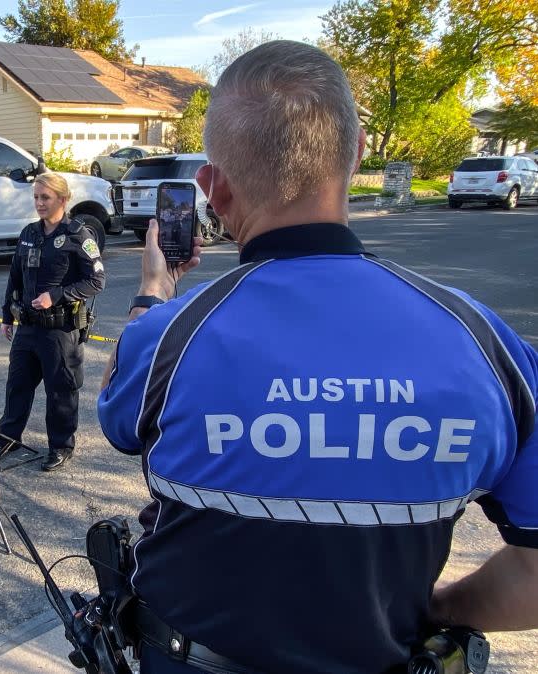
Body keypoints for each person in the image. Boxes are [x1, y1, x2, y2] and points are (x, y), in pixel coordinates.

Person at [98, 40, 538, 674]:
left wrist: (151, 295)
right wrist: (442, 608)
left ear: (213, 190)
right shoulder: (485, 343)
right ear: (356, 156)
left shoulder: (169, 337)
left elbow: (118, 410)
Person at [0, 172, 105, 471]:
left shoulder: (78, 235)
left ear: (63, 199)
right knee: (17, 386)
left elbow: (96, 281)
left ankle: (61, 445)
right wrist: (6, 315)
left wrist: (56, 295)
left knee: (61, 391)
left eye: (45, 197)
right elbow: (15, 276)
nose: (39, 203)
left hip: (60, 330)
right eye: (36, 197)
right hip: (28, 327)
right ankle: (7, 437)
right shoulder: (29, 233)